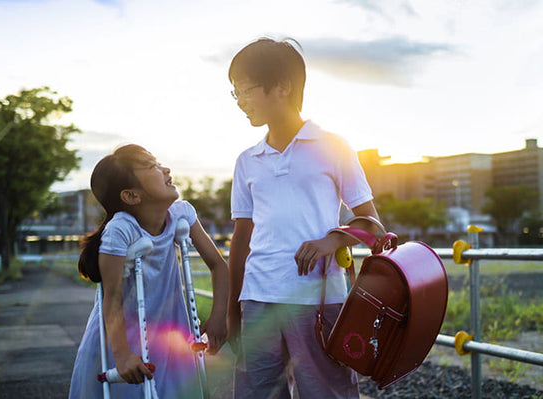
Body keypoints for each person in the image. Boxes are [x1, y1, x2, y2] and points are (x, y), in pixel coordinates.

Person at [227, 38, 381, 399]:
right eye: (234, 93)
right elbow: (241, 239)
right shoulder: (247, 160)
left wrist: (332, 239)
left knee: (327, 392)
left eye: (244, 90)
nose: (240, 102)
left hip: (318, 300)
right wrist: (233, 309)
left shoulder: (334, 146)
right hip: (258, 300)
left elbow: (373, 226)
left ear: (282, 87)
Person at [69, 144, 228, 399]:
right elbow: (112, 297)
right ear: (132, 196)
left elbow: (218, 265)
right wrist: (121, 355)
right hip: (123, 338)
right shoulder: (121, 229)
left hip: (168, 333)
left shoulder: (180, 214)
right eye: (152, 167)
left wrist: (220, 316)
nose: (165, 169)